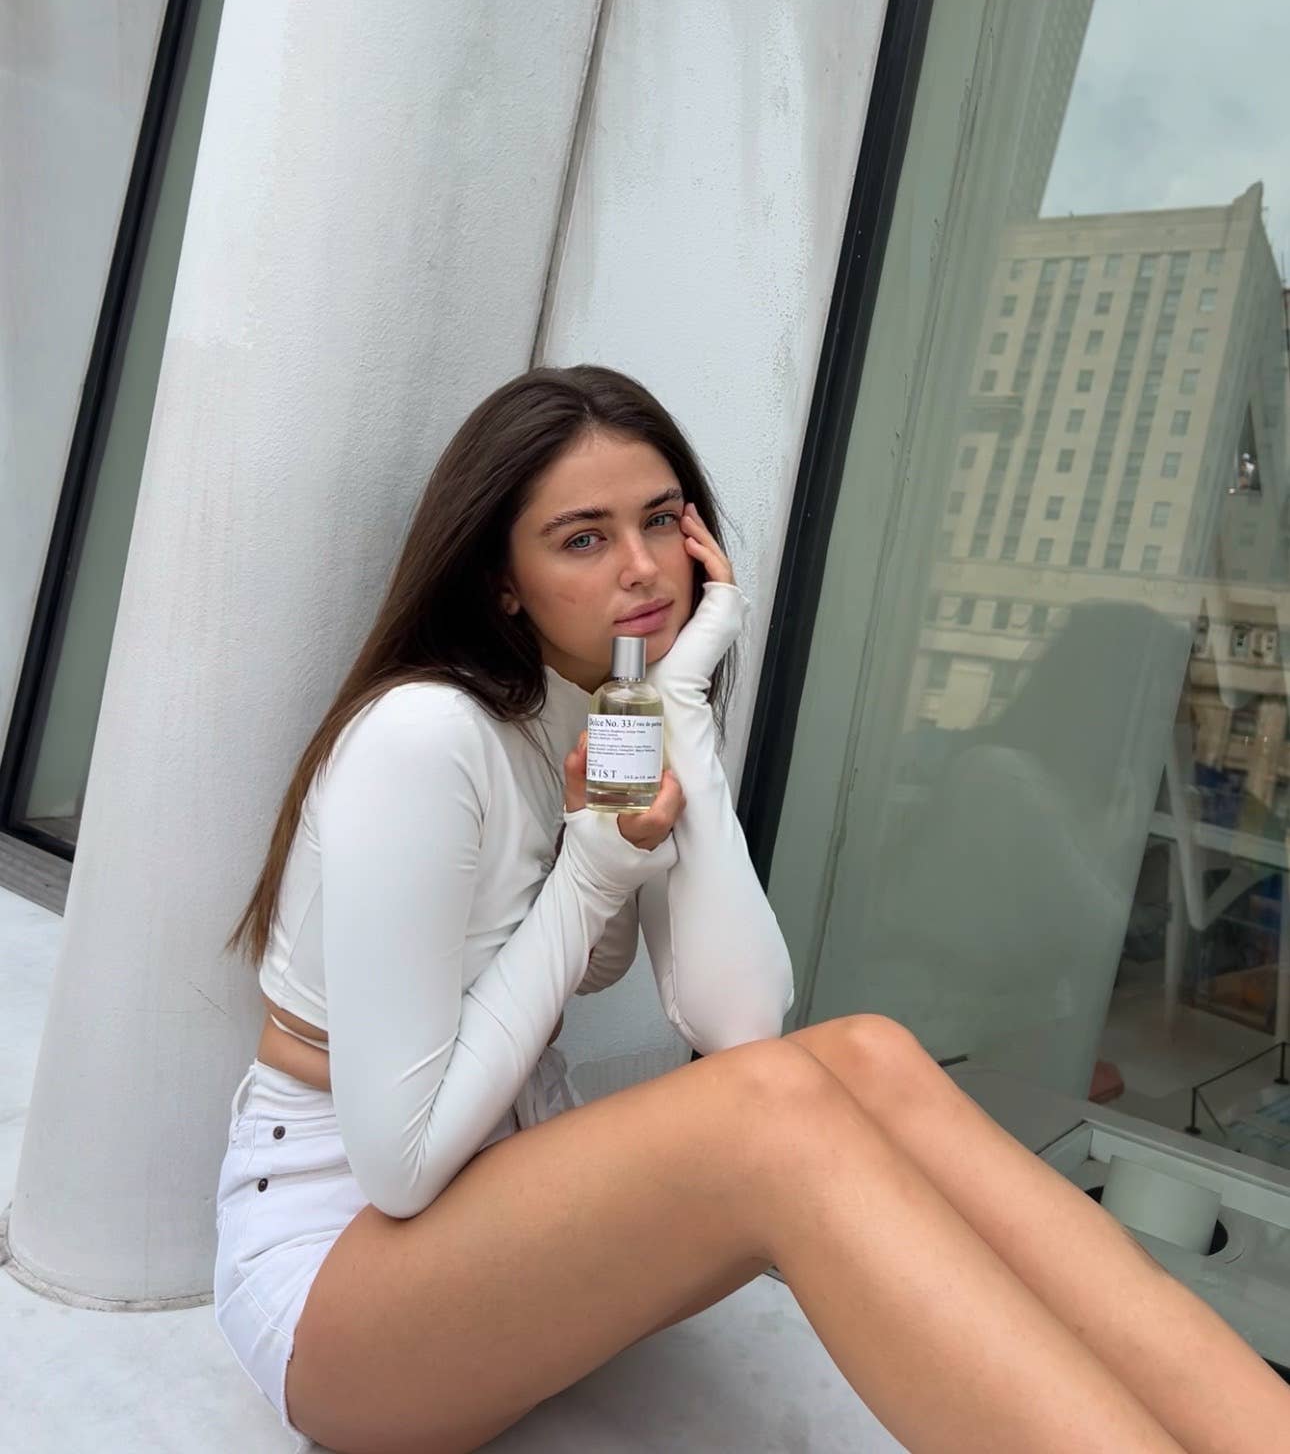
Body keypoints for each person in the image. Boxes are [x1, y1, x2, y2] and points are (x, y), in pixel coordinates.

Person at [216, 364, 1289, 1454]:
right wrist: (593, 873)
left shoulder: (596, 717)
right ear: (502, 580)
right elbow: (399, 1166)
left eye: (660, 520)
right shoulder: (424, 737)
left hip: (491, 1220)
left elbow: (739, 1028)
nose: (643, 567)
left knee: (865, 1055)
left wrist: (680, 700)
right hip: (340, 1279)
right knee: (772, 1110)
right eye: (583, 539)